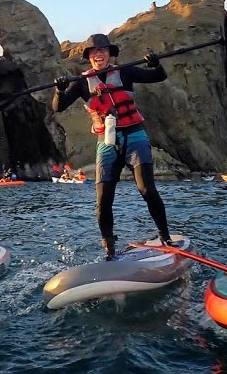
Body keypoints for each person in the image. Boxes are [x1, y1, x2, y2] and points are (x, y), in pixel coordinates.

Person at [52, 33, 173, 260]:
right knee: (103, 199)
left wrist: (156, 64)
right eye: (94, 51)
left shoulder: (125, 71)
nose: (99, 54)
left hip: (134, 135)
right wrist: (59, 90)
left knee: (146, 189)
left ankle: (164, 235)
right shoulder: (81, 83)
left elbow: (158, 76)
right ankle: (109, 247)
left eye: (103, 50)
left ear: (109, 53)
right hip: (107, 142)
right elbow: (58, 107)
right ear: (88, 56)